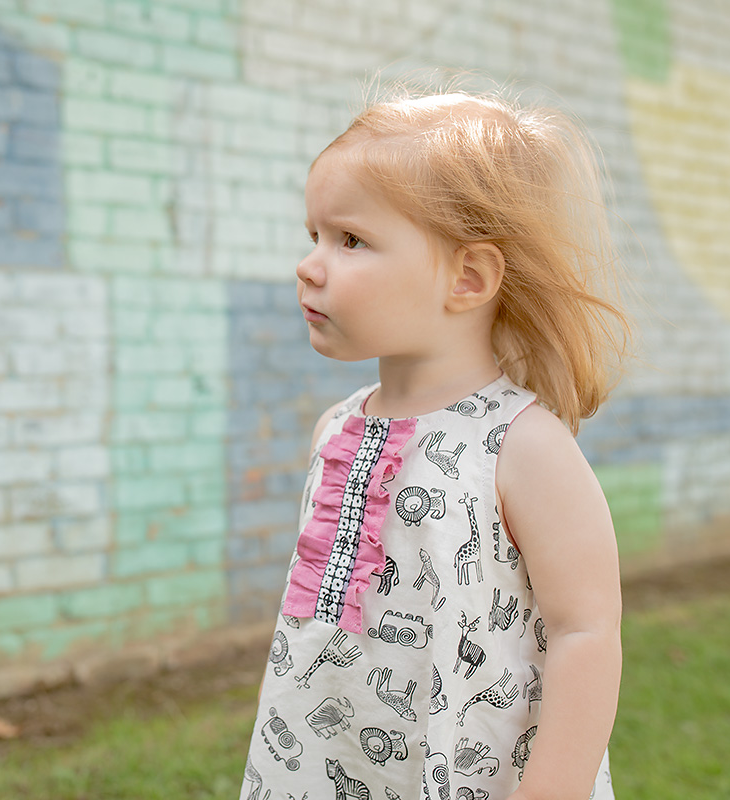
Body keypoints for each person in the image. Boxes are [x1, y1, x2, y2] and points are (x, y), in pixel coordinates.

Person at [240, 87, 628, 800]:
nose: (310, 264)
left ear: (468, 277)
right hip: (328, 763)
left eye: (351, 240)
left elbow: (588, 630)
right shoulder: (338, 429)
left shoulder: (522, 445)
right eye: (313, 235)